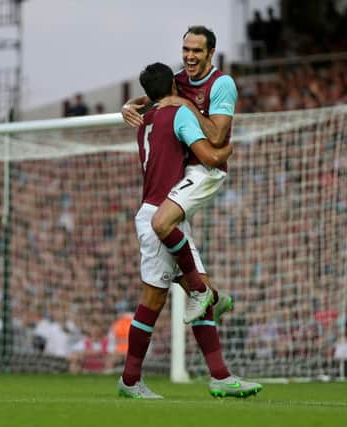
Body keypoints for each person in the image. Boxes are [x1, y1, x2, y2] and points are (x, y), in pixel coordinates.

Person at [117, 62, 261, 399]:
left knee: (194, 296)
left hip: (157, 211)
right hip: (162, 215)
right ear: (173, 88)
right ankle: (129, 380)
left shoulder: (145, 122)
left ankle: (219, 375)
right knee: (163, 299)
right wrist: (227, 150)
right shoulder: (178, 115)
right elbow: (208, 155)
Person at [122, 26, 237, 324]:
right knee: (174, 250)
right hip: (187, 171)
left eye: (197, 51)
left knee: (160, 222)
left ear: (211, 53)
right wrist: (127, 106)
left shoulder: (221, 84)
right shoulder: (179, 80)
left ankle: (201, 292)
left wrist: (185, 104)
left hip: (207, 169)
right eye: (186, 49)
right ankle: (212, 296)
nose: (189, 56)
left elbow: (217, 135)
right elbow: (154, 97)